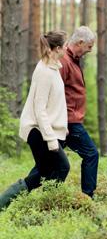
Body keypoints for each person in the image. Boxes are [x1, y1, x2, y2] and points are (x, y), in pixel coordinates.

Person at [0, 31, 70, 210]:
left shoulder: (53, 67)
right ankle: (47, 207)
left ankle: (8, 204)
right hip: (37, 129)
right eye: (66, 45)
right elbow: (40, 109)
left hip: (45, 128)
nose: (67, 48)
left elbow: (54, 103)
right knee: (62, 167)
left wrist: (62, 126)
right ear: (58, 48)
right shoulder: (45, 71)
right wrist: (51, 138)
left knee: (42, 173)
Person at [27, 26, 99, 198]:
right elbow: (54, 94)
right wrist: (62, 121)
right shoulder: (64, 62)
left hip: (67, 121)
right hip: (68, 121)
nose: (90, 50)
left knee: (48, 163)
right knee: (91, 154)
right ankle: (87, 196)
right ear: (80, 42)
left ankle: (24, 192)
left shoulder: (72, 60)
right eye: (89, 46)